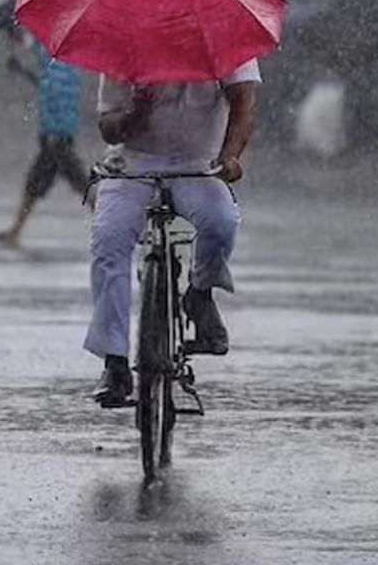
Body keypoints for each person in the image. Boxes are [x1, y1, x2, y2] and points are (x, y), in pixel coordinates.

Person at [87, 60, 261, 406]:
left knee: (221, 222)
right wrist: (134, 116)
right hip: (134, 164)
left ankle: (200, 293)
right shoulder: (126, 42)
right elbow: (107, 127)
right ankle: (115, 361)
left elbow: (243, 104)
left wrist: (230, 156)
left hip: (199, 165)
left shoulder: (223, 37)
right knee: (108, 241)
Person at [0, 28, 90, 247]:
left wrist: (18, 45)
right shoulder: (65, 61)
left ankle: (115, 230)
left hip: (56, 137)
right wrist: (21, 70)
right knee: (37, 185)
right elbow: (46, 85)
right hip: (58, 134)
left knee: (81, 185)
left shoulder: (52, 56)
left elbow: (51, 87)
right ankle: (15, 231)